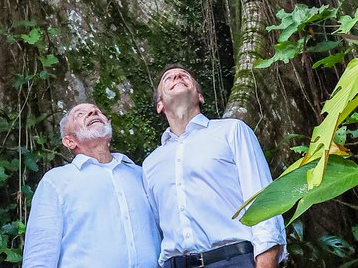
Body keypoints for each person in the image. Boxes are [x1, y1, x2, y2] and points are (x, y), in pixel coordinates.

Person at [143, 65, 287, 268]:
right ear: (159, 105)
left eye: (184, 75)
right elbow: (156, 227)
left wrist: (266, 260)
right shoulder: (151, 164)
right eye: (168, 78)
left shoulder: (231, 131)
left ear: (200, 96)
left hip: (233, 259)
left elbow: (263, 197)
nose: (176, 76)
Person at [23, 103, 161, 268]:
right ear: (69, 141)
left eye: (98, 110)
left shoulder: (141, 175)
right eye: (80, 114)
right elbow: (39, 258)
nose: (93, 111)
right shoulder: (56, 181)